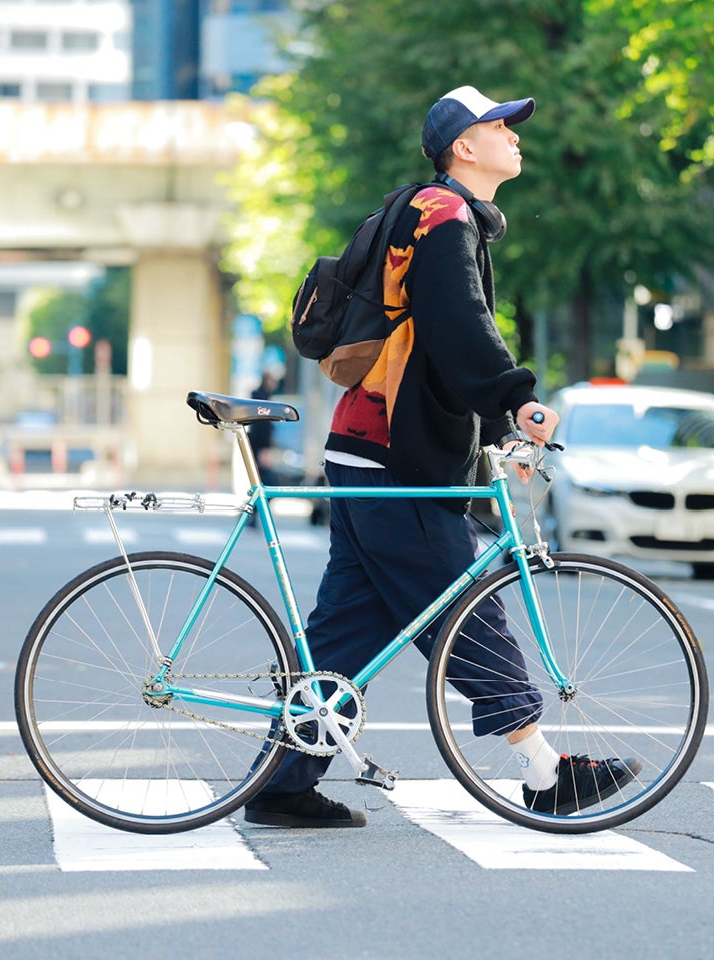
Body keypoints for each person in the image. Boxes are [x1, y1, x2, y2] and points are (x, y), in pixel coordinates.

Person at [244, 85, 639, 828]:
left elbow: (428, 346)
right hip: (396, 457)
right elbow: (461, 326)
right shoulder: (447, 216)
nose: (515, 137)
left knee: (346, 631)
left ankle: (283, 780)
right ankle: (544, 771)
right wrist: (516, 399)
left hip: (365, 448)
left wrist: (491, 431)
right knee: (464, 604)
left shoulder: (424, 210)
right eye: (500, 126)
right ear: (465, 145)